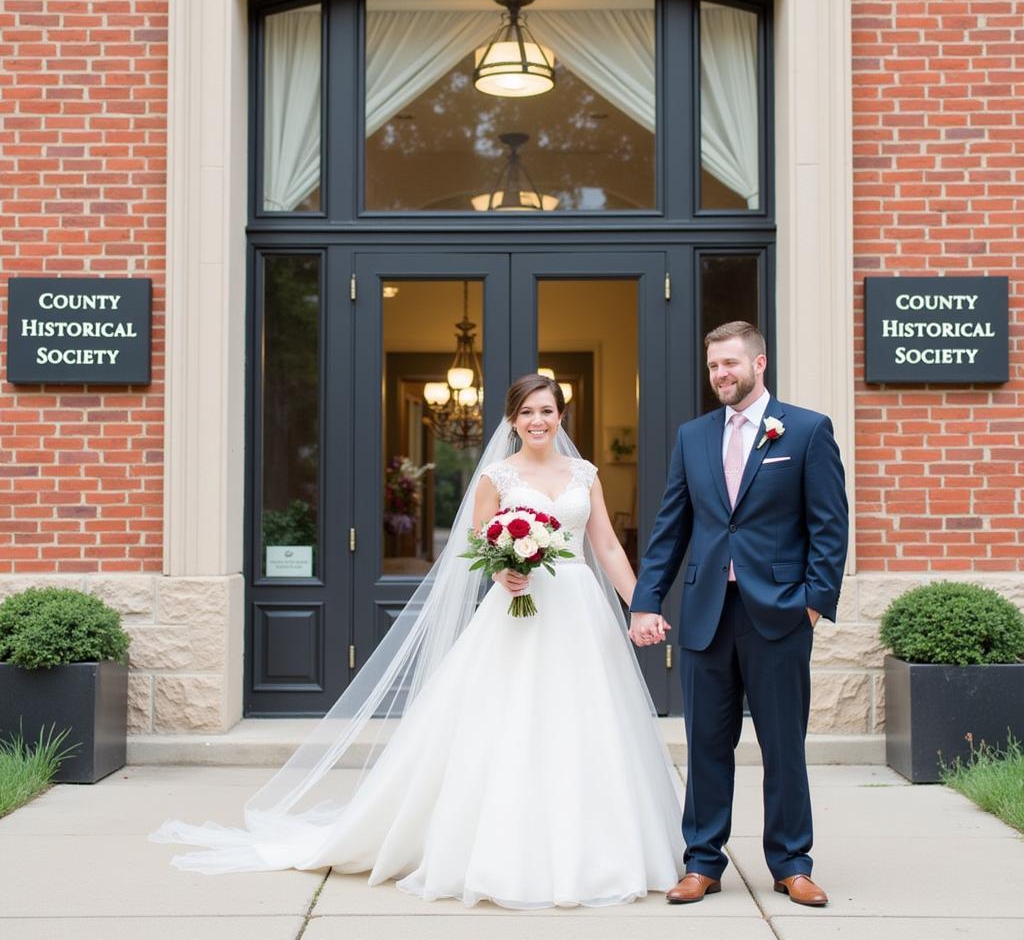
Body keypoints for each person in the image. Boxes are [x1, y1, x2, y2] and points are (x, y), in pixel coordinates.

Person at [152, 374, 684, 909]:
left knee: (584, 721)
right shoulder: (498, 476)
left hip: (577, 609)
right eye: (526, 413)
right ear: (512, 420)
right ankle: (496, 852)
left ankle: (597, 851)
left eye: (546, 410)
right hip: (518, 610)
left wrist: (641, 605)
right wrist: (501, 573)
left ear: (561, 415)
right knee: (507, 721)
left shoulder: (584, 474)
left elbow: (609, 548)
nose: (537, 421)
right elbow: (476, 542)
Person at [629, 321, 848, 909]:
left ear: (760, 363)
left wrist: (812, 604)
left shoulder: (805, 430)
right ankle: (701, 863)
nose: (720, 375)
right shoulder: (693, 436)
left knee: (782, 745)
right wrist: (646, 599)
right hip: (705, 612)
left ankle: (791, 863)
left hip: (778, 614)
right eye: (713, 367)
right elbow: (672, 526)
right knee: (705, 744)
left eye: (730, 364)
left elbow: (829, 526)